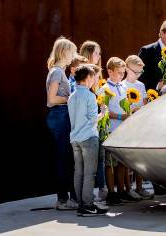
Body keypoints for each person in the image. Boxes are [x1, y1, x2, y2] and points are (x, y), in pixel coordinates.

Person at [68, 64, 109, 216]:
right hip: (89, 137)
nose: (95, 80)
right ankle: (87, 205)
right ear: (88, 78)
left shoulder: (72, 96)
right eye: (93, 77)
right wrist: (103, 113)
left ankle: (81, 204)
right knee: (89, 173)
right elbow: (92, 120)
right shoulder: (90, 96)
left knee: (78, 172)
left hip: (75, 139)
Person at [45, 37, 79, 211]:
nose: (73, 56)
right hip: (59, 116)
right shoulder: (57, 72)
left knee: (64, 158)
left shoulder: (58, 71)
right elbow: (51, 100)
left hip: (61, 116)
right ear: (64, 52)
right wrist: (71, 98)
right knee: (63, 159)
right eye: (71, 52)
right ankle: (63, 199)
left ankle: (66, 198)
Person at [122, 55, 153, 199]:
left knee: (140, 159)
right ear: (127, 69)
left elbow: (145, 104)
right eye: (135, 72)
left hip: (139, 125)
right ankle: (128, 188)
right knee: (128, 160)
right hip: (126, 124)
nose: (138, 75)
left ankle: (139, 187)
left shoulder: (140, 86)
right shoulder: (122, 86)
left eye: (140, 72)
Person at [100, 57, 129, 206]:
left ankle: (122, 191)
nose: (121, 75)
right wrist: (120, 116)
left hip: (122, 130)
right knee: (110, 163)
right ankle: (111, 193)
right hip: (111, 130)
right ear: (110, 71)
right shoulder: (105, 89)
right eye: (119, 73)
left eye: (123, 73)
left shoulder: (123, 87)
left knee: (123, 163)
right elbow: (104, 111)